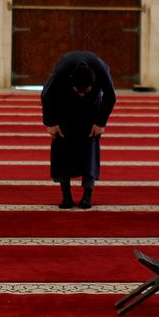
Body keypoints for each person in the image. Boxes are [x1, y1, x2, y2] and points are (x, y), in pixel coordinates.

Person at [41, 51, 116, 209]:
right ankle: (66, 197)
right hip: (64, 108)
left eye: (85, 91)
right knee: (62, 150)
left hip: (91, 111)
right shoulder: (61, 71)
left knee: (90, 150)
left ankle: (87, 197)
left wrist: (100, 122)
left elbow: (110, 96)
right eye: (78, 91)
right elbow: (46, 96)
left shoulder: (101, 70)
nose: (81, 94)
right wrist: (51, 123)